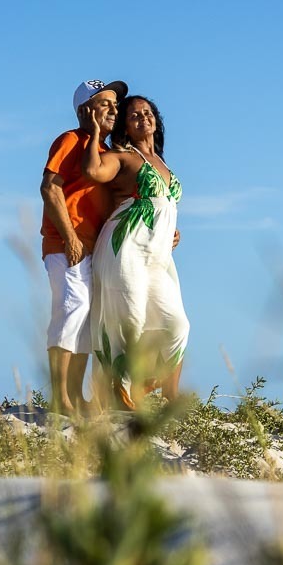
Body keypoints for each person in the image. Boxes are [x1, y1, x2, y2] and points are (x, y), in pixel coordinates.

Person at [83, 94, 189, 409]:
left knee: (176, 324)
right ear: (125, 128)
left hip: (157, 256)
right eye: (134, 115)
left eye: (147, 112)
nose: (143, 117)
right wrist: (95, 133)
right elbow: (94, 171)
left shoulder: (162, 163)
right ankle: (118, 390)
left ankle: (163, 392)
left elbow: (163, 206)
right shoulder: (124, 156)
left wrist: (171, 231)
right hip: (125, 247)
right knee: (130, 318)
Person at [39, 79, 128, 414]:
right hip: (67, 244)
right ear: (84, 110)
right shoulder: (71, 140)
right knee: (70, 310)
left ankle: (75, 396)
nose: (114, 109)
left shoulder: (104, 152)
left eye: (115, 104)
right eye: (105, 103)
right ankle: (59, 397)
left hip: (93, 248)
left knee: (87, 320)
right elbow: (50, 188)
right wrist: (70, 238)